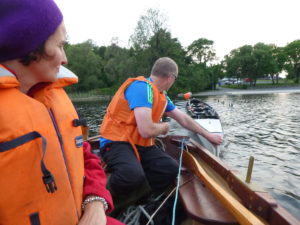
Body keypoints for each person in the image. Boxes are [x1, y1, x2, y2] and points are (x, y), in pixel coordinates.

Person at [0, 0, 123, 224]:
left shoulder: (53, 96)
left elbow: (84, 154)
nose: (65, 59)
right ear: (29, 44)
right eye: (59, 45)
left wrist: (96, 203)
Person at [99, 57, 223, 197]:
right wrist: (164, 127)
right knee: (131, 175)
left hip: (139, 144)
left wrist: (207, 135)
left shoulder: (160, 94)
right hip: (116, 142)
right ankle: (104, 202)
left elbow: (183, 118)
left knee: (170, 168)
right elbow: (146, 131)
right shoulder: (141, 88)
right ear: (170, 78)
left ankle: (140, 199)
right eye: (175, 80)